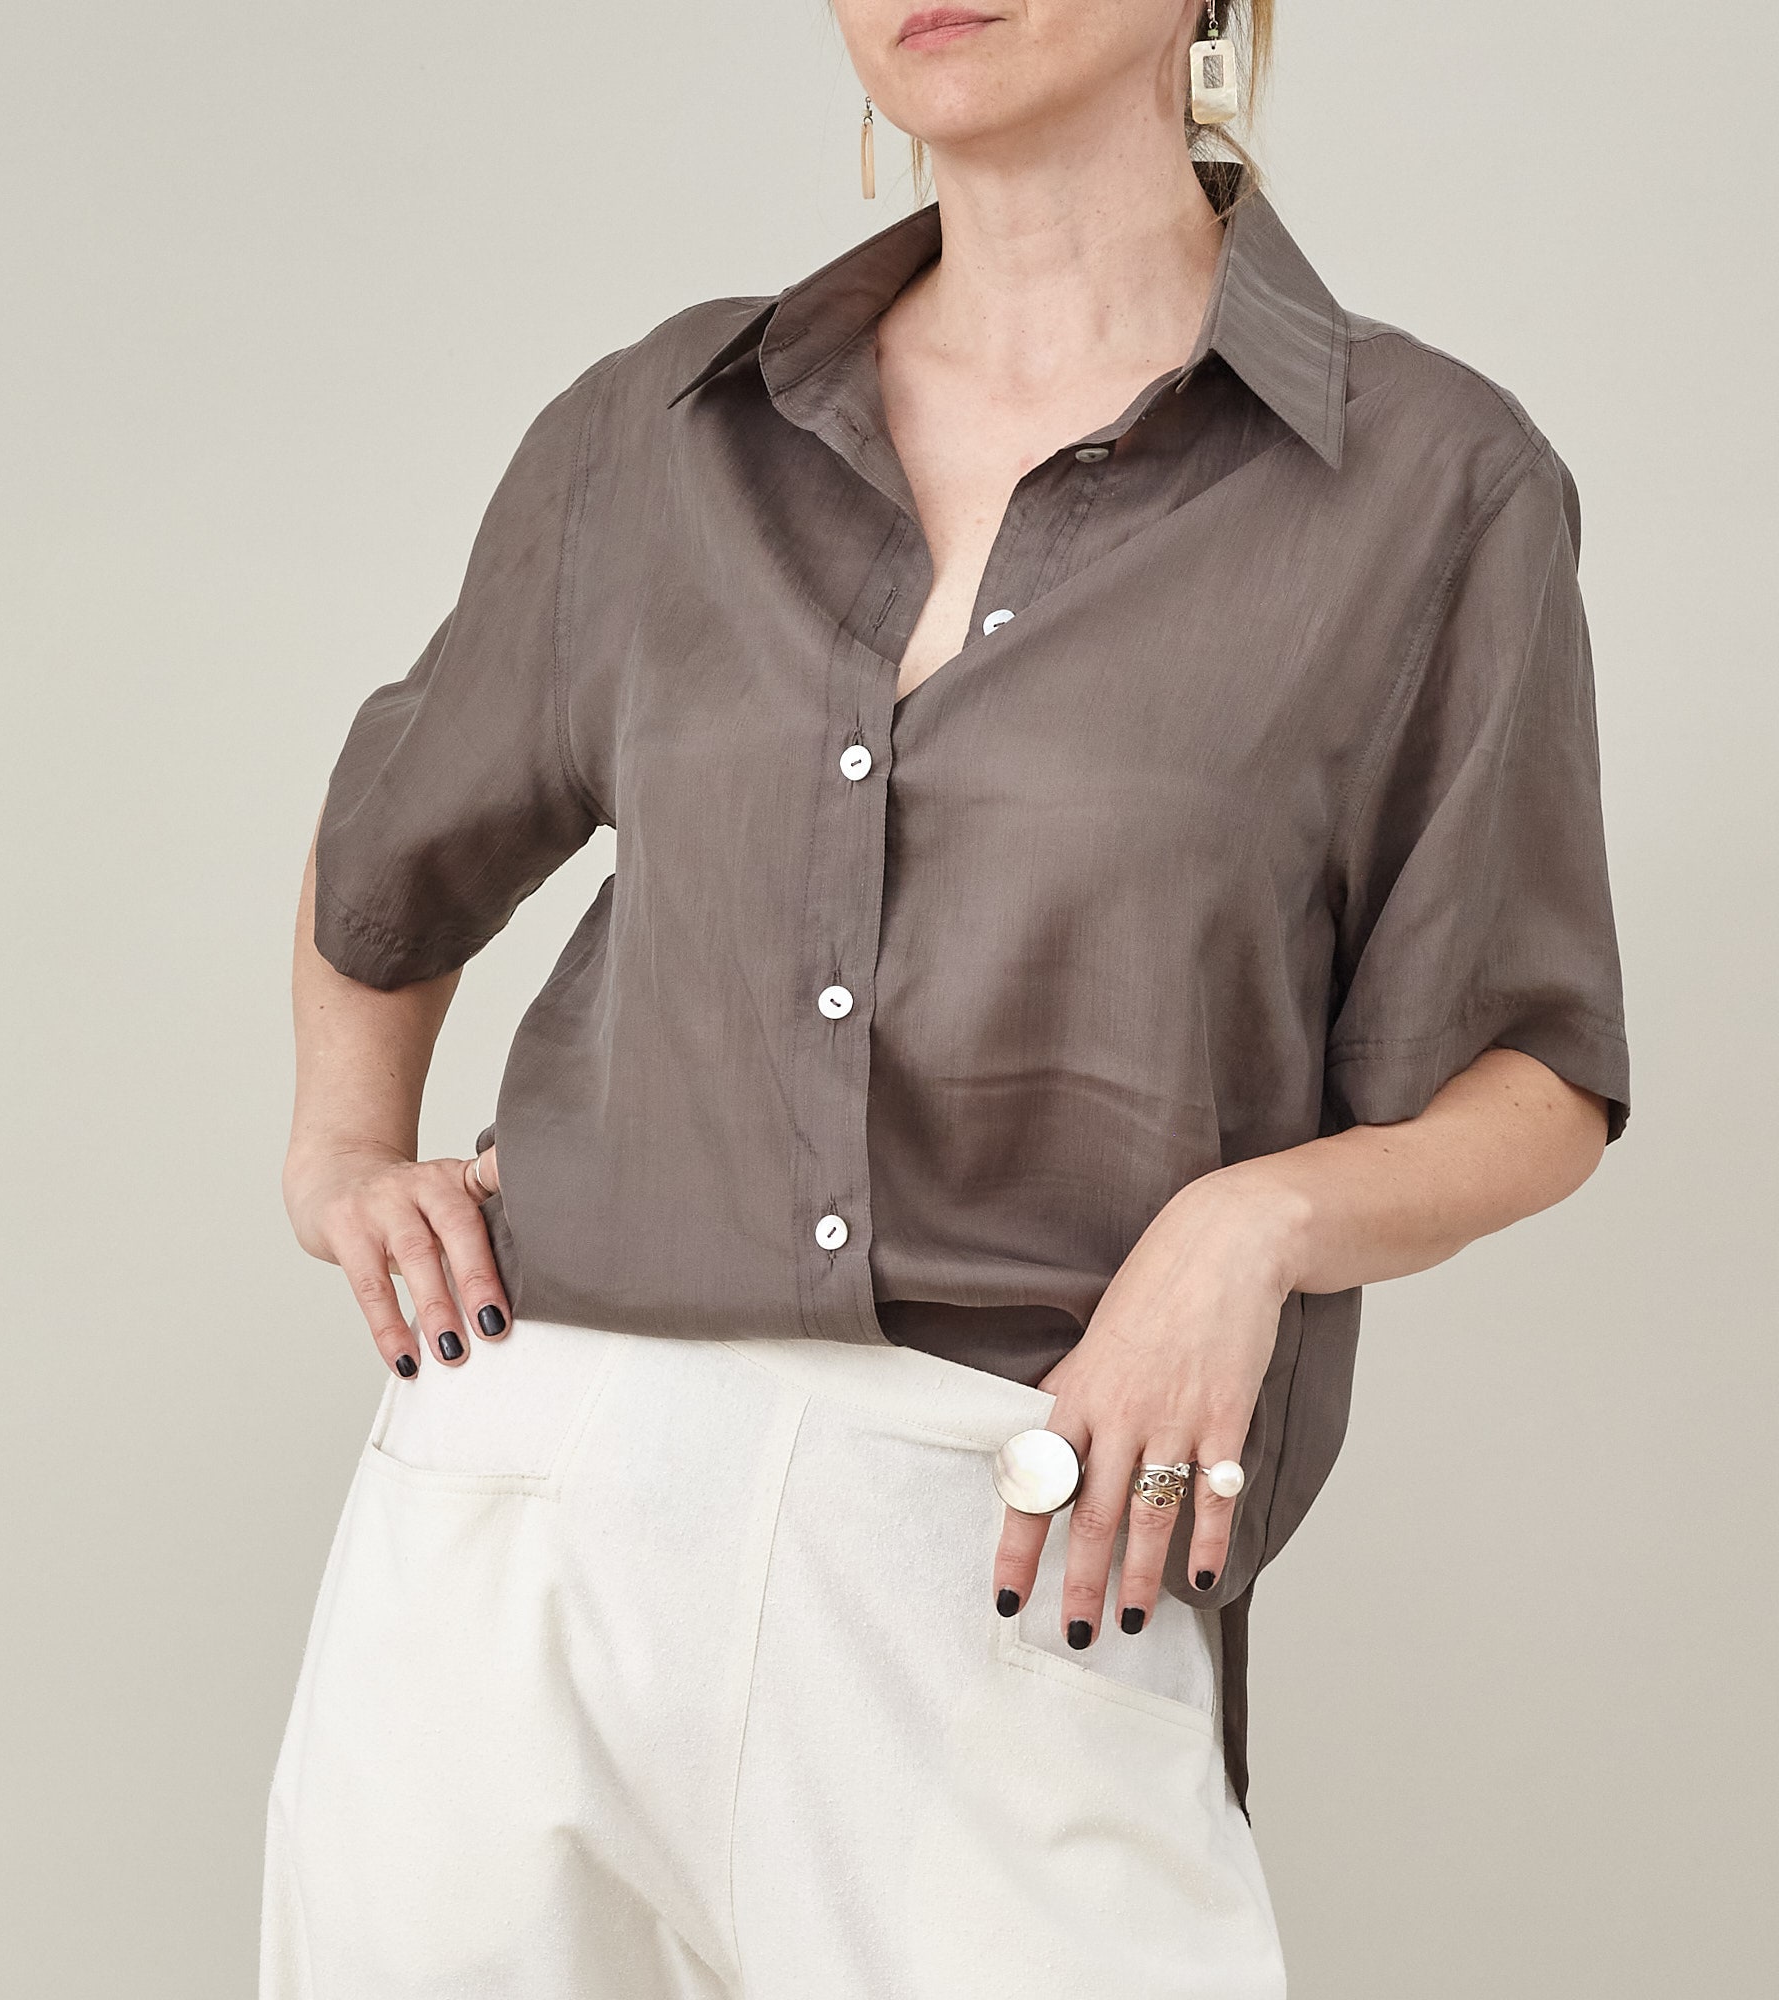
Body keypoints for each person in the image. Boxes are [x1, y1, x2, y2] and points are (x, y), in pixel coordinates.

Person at [262, 2, 1628, 1993]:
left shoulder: (1429, 483)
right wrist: (338, 1153)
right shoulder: (666, 431)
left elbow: (1534, 1069)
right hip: (523, 1508)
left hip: (998, 1536)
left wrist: (1247, 1224)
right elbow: (393, 842)